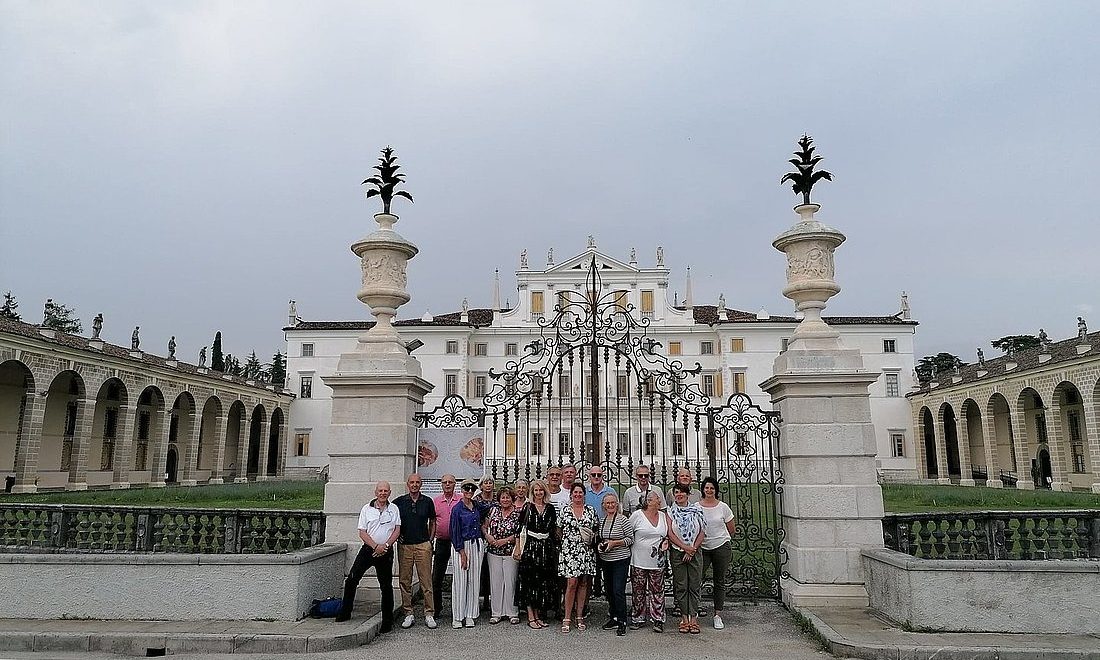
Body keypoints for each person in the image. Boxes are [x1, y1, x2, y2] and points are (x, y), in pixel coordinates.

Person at [336, 481, 401, 631]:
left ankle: (387, 621)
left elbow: (397, 530)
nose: (383, 493)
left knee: (386, 586)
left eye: (386, 491)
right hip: (368, 550)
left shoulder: (394, 509)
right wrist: (375, 546)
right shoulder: (367, 509)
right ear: (376, 492)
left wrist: (385, 546)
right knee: (352, 579)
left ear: (389, 493)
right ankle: (345, 612)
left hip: (386, 551)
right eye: (380, 490)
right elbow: (362, 532)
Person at [393, 473, 437, 629]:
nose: (414, 485)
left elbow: (433, 520)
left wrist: (430, 540)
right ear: (408, 484)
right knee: (405, 581)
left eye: (417, 482)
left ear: (421, 484)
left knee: (426, 581)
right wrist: (396, 537)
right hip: (405, 546)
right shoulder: (398, 502)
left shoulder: (427, 501)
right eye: (412, 482)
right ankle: (408, 613)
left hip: (423, 545)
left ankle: (429, 613)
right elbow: (389, 518)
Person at [516, 479, 558, 629]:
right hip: (530, 547)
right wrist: (518, 548)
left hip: (545, 548)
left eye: (541, 490)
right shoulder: (527, 508)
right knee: (529, 581)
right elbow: (519, 529)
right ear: (532, 492)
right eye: (536, 490)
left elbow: (553, 530)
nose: (538, 493)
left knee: (542, 582)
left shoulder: (550, 508)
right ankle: (530, 616)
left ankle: (538, 615)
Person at [557, 481, 597, 632]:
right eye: (575, 493)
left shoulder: (590, 510)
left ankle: (580, 615)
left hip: (585, 551)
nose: (578, 495)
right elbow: (558, 529)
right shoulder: (565, 510)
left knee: (583, 583)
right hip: (569, 551)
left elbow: (595, 528)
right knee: (571, 583)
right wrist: (566, 543)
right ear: (571, 494)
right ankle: (567, 616)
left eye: (580, 492)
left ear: (584, 495)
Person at [698, 476, 736, 630]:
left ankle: (717, 615)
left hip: (721, 546)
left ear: (716, 490)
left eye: (712, 488)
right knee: (696, 578)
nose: (709, 490)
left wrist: (723, 539)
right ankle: (693, 612)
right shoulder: (696, 506)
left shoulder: (723, 507)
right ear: (703, 490)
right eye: (706, 488)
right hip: (703, 547)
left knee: (719, 581)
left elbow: (731, 528)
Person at [667, 483, 705, 635]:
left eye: (682, 492)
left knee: (694, 585)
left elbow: (702, 530)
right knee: (681, 585)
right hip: (678, 551)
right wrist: (684, 547)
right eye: (676, 492)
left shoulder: (697, 510)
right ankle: (684, 618)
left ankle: (694, 617)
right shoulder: (670, 512)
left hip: (695, 551)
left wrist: (692, 549)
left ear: (688, 494)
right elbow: (670, 533)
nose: (679, 495)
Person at [629, 491, 668, 633]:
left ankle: (658, 619)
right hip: (639, 560)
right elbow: (629, 534)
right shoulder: (637, 516)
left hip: (657, 561)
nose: (659, 501)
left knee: (657, 591)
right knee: (638, 590)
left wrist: (666, 541)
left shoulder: (663, 516)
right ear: (648, 501)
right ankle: (638, 617)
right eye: (657, 499)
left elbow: (667, 533)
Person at [483, 486, 522, 624]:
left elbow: (520, 532)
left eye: (508, 497)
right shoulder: (493, 510)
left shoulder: (518, 513)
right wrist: (487, 536)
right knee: (496, 581)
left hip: (510, 551)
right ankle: (496, 613)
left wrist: (504, 541)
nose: (505, 500)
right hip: (493, 551)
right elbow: (484, 526)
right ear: (499, 499)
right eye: (502, 497)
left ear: (513, 499)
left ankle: (512, 612)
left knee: (510, 581)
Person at [450, 479, 486, 628]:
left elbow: (489, 507)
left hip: (476, 544)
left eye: (472, 489)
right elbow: (454, 531)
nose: (469, 491)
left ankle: (470, 614)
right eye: (466, 488)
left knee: (473, 580)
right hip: (462, 545)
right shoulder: (457, 509)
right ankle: (458, 616)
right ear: (462, 489)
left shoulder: (477, 506)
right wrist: (461, 552)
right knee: (460, 580)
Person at [596, 492, 633, 636]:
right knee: (609, 590)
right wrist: (602, 545)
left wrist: (615, 543)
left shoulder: (623, 520)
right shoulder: (602, 520)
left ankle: (622, 621)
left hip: (620, 559)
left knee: (618, 590)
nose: (610, 505)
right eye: (607, 503)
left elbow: (630, 539)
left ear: (617, 504)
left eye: (613, 503)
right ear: (603, 506)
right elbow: (601, 538)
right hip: (606, 559)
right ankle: (614, 616)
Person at [584, 465, 617, 603]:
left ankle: (611, 601)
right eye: (594, 475)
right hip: (591, 534)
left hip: (607, 533)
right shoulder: (585, 492)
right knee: (590, 569)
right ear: (589, 476)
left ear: (603, 476)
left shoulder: (610, 491)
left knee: (609, 569)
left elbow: (617, 510)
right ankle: (589, 597)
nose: (596, 477)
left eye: (599, 475)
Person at [431, 474, 459, 618]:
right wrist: (430, 540)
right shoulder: (435, 501)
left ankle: (458, 608)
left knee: (460, 577)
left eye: (450, 482)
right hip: (441, 542)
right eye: (445, 482)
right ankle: (436, 608)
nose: (447, 484)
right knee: (436, 577)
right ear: (441, 485)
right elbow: (432, 522)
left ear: (455, 484)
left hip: (458, 543)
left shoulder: (460, 500)